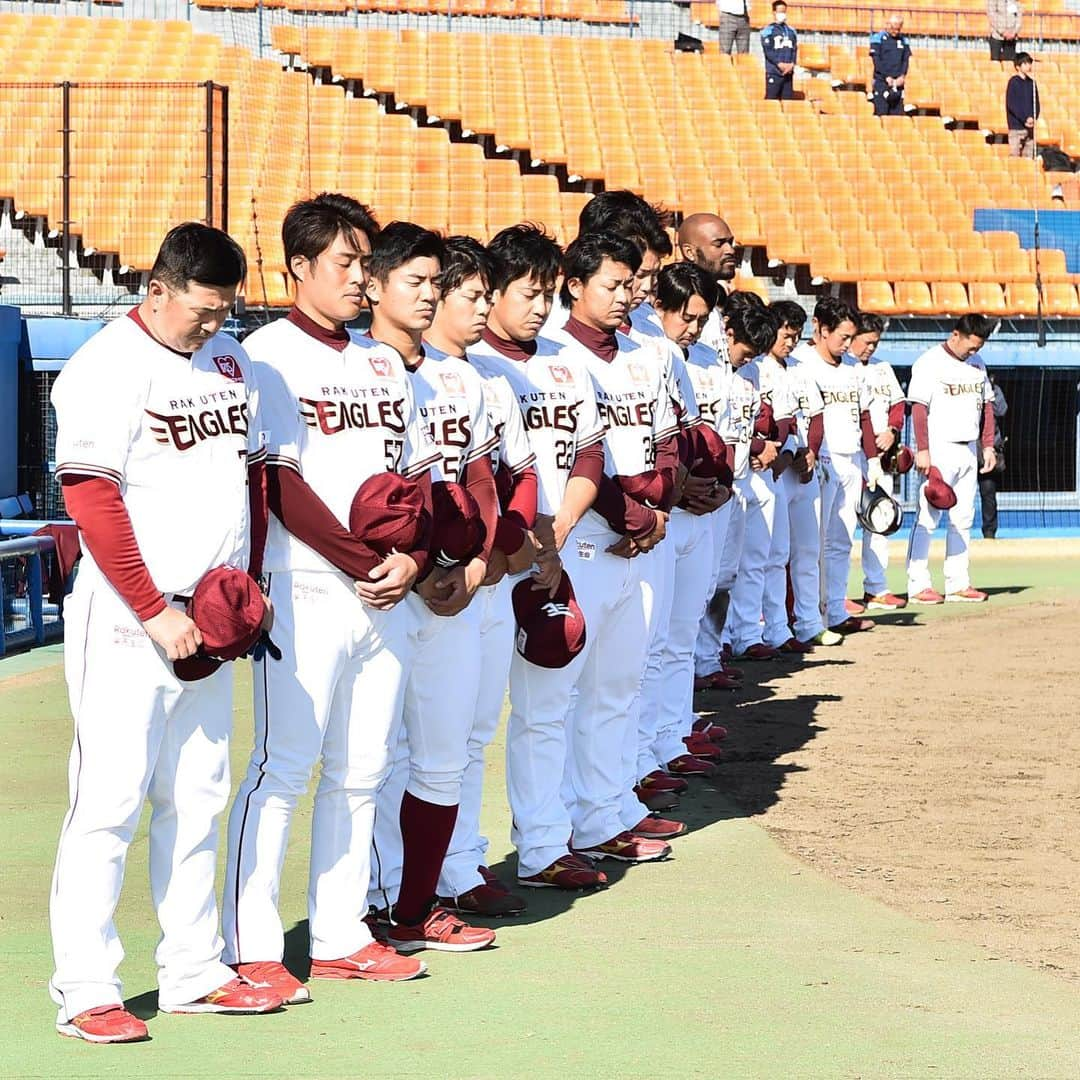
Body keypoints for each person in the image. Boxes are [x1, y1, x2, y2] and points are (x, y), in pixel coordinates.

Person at [49, 223, 283, 1042]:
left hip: (208, 614)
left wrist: (248, 583)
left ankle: (192, 970)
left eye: (225, 312)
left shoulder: (230, 359)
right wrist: (152, 609)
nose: (214, 325)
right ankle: (86, 990)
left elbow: (251, 477)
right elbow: (91, 498)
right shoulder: (104, 367)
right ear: (159, 288)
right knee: (109, 802)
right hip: (128, 614)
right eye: (202, 310)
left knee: (199, 795)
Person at [223, 195, 439, 999]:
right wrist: (362, 560)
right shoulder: (266, 355)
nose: (360, 278)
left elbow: (412, 480)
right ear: (299, 268)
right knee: (285, 765)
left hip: (385, 587)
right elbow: (278, 481)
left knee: (363, 768)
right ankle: (251, 944)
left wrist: (413, 557)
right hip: (307, 582)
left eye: (364, 263)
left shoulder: (384, 360)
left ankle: (343, 931)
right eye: (345, 263)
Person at [365, 226, 502, 955]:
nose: (428, 297)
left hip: (450, 590)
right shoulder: (353, 367)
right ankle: (359, 907)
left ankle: (417, 908)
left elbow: (481, 482)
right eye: (419, 283)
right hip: (376, 589)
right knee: (365, 761)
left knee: (443, 755)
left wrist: (476, 564)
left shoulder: (463, 380)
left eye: (434, 284)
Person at [464, 224, 612, 891]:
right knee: (468, 724)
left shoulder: (565, 362)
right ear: (491, 291)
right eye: (528, 292)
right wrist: (524, 543)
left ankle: (545, 845)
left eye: (548, 293)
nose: (540, 307)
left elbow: (589, 456)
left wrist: (552, 541)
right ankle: (460, 861)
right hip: (493, 559)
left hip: (558, 551)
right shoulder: (472, 365)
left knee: (548, 705)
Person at [437, 232, 545, 917]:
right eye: (470, 296)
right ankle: (396, 882)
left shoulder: (493, 380)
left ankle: (461, 862)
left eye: (486, 296)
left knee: (475, 730)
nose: (482, 309)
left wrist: (500, 548)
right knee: (413, 743)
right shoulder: (396, 371)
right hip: (428, 582)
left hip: (488, 576)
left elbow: (522, 474)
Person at [792, 298, 881, 636]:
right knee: (811, 544)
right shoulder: (802, 364)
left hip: (849, 460)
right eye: (843, 336)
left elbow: (866, 416)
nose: (848, 344)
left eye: (851, 337)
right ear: (821, 329)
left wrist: (871, 459)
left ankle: (836, 610)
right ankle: (806, 616)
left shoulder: (853, 371)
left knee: (842, 541)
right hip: (819, 461)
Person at [906, 314, 999, 603]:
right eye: (971, 346)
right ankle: (918, 584)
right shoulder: (929, 362)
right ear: (955, 334)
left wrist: (987, 446)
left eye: (978, 348)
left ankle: (958, 583)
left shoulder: (977, 364)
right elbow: (919, 409)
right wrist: (923, 450)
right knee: (927, 517)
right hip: (939, 447)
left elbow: (986, 407)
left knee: (963, 518)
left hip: (968, 448)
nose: (974, 352)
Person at [849, 314, 908, 610]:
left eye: (876, 342)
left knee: (880, 522)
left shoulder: (882, 369)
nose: (871, 348)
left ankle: (876, 589)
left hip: (880, 459)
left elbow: (898, 404)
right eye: (867, 341)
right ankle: (835, 594)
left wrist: (892, 430)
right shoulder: (843, 368)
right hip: (850, 455)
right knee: (841, 528)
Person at [979, 373, 1007, 539]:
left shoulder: (995, 390)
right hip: (967, 447)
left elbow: (1002, 410)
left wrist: (991, 391)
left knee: (988, 491)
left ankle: (989, 532)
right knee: (959, 492)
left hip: (989, 450)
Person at [870, 16, 911, 117]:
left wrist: (902, 76)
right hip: (882, 82)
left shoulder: (903, 40)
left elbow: (905, 60)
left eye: (898, 29)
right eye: (893, 28)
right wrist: (887, 77)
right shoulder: (877, 38)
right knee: (881, 113)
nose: (896, 31)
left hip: (898, 83)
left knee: (897, 116)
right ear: (887, 25)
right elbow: (877, 61)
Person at [1006, 52, 1040, 159]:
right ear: (1018, 67)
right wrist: (1025, 118)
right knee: (1015, 157)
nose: (1028, 66)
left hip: (1030, 128)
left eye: (1029, 63)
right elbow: (1012, 104)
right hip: (1016, 127)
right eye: (1025, 63)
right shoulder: (1013, 82)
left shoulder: (1032, 83)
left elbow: (1036, 104)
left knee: (1029, 158)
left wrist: (1033, 118)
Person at [762, 1, 798, 100]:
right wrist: (779, 64)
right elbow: (768, 51)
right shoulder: (768, 31)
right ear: (774, 12)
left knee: (787, 101)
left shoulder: (791, 31)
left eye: (784, 11)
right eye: (780, 11)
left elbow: (794, 49)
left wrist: (792, 64)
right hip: (774, 71)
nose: (783, 14)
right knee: (771, 101)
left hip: (788, 73)